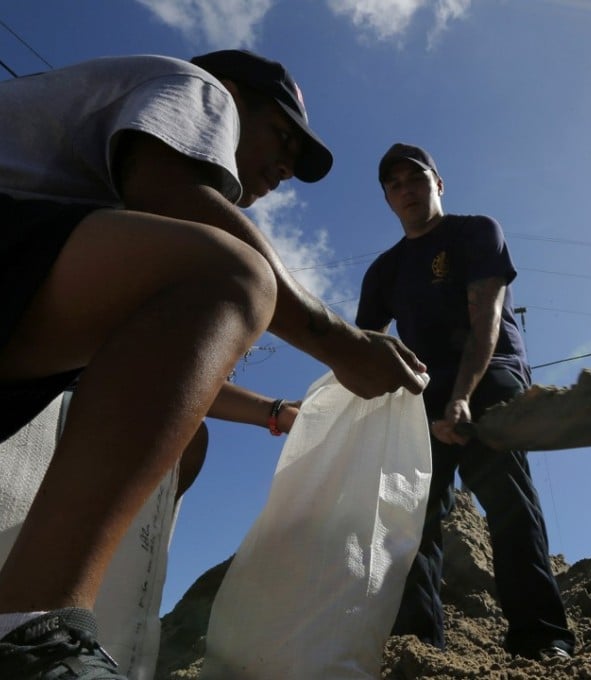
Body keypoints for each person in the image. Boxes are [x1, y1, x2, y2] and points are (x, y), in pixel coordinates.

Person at [0, 50, 426, 680]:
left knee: (185, 436)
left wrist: (279, 413)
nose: (284, 168)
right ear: (230, 93)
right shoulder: (194, 86)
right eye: (282, 137)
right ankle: (30, 629)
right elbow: (182, 201)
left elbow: (139, 382)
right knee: (237, 273)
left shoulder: (96, 238)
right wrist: (341, 344)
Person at [356, 143, 576, 661]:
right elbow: (364, 345)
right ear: (388, 199)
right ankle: (418, 647)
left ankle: (542, 637)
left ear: (439, 183)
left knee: (507, 502)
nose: (407, 190)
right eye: (395, 185)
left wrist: (461, 400)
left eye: (416, 178)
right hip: (421, 391)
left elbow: (487, 323)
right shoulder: (384, 271)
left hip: (490, 373)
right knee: (411, 518)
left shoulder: (476, 232)